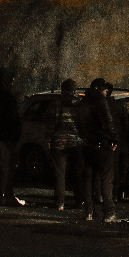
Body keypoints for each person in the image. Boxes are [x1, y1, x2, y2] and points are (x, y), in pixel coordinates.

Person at [77, 79, 119, 222]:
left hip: (88, 145)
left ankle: (88, 211)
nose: (106, 92)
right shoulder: (101, 102)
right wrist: (114, 141)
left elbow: (78, 125)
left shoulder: (82, 102)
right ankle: (109, 212)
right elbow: (109, 123)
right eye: (105, 89)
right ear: (98, 89)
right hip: (103, 145)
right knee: (106, 179)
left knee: (88, 179)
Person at [0, 68, 24, 206]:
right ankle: (6, 194)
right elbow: (11, 119)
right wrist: (14, 134)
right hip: (5, 137)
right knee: (7, 166)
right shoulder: (6, 97)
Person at [45, 79, 84, 211]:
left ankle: (60, 202)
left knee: (60, 174)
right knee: (77, 173)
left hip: (59, 143)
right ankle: (79, 201)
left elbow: (50, 126)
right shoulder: (80, 105)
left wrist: (48, 141)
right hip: (76, 143)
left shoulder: (56, 105)